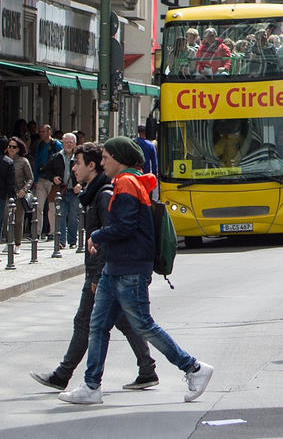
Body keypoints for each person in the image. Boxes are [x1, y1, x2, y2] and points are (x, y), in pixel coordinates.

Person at [59, 136, 214, 406]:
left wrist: (98, 235)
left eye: (106, 157)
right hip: (118, 267)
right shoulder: (128, 181)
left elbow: (125, 226)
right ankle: (91, 385)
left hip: (128, 267)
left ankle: (194, 368)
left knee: (142, 324)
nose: (103, 162)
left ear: (119, 159)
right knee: (98, 325)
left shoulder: (127, 183)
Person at [32, 142, 160, 392]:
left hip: (105, 272)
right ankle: (147, 369)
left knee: (88, 322)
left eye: (78, 163)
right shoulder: (96, 192)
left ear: (91, 165)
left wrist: (97, 274)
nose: (74, 168)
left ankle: (66, 375)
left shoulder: (105, 194)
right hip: (106, 272)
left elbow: (115, 235)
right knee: (125, 321)